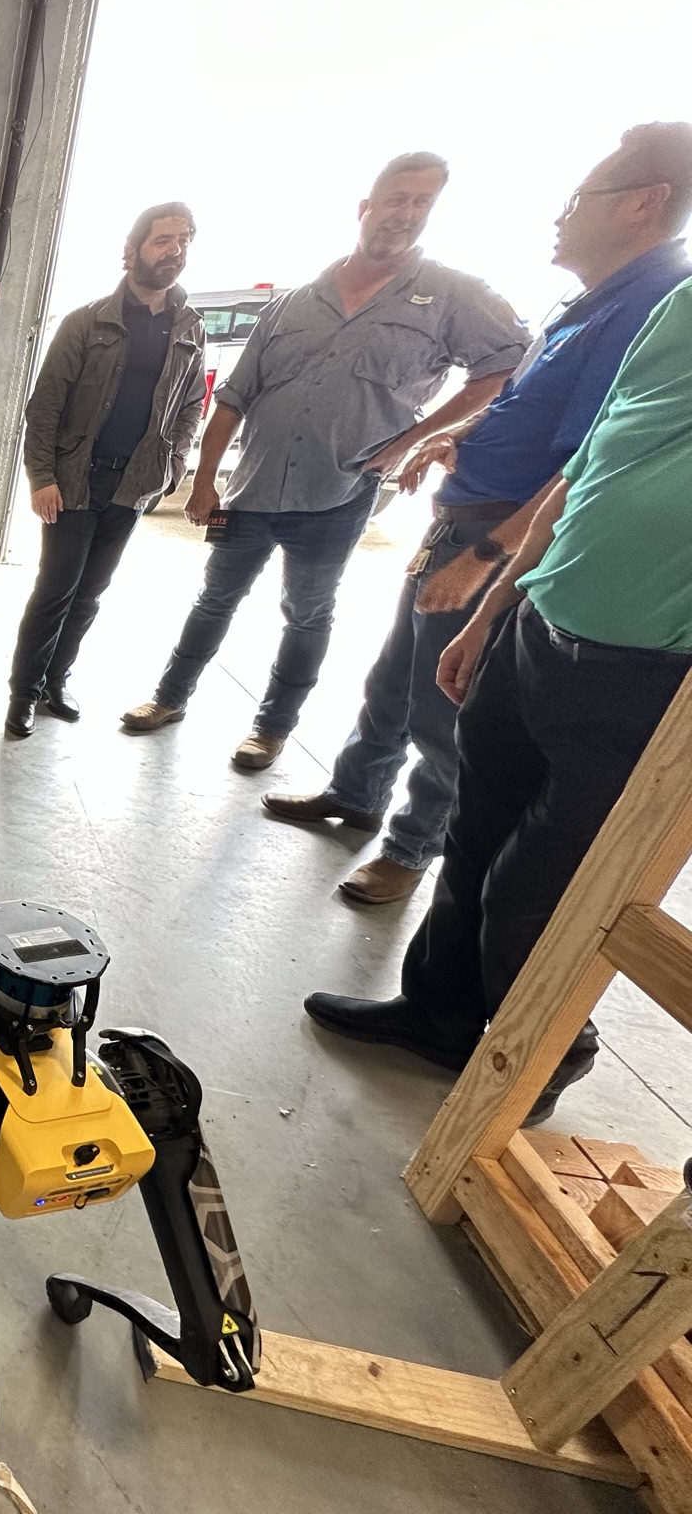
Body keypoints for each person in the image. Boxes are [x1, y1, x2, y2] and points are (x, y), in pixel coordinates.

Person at [305, 258, 692, 1127]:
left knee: (541, 885)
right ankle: (437, 1016)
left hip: (648, 676)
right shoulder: (678, 310)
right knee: (474, 839)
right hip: (535, 624)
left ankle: (543, 1053)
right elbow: (583, 469)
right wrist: (495, 606)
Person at [266, 125, 692, 906]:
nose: (560, 218)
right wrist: (460, 433)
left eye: (579, 199)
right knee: (393, 679)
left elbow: (584, 463)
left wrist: (488, 557)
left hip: (499, 536)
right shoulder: (585, 303)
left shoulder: (647, 307)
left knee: (445, 706)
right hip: (463, 519)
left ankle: (409, 846)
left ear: (643, 205)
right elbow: (527, 405)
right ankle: (357, 794)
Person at [123, 153, 528, 770]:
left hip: (337, 494)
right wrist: (204, 480)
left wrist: (418, 437)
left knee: (307, 614)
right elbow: (234, 398)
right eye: (396, 198)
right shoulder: (292, 304)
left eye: (421, 202)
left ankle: (272, 728)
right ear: (366, 208)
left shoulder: (450, 296)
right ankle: (168, 697)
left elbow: (507, 367)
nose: (405, 212)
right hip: (252, 489)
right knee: (213, 600)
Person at [7, 202, 205, 737]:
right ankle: (22, 694)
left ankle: (55, 681)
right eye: (163, 240)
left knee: (91, 592)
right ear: (134, 250)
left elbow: (192, 404)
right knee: (56, 590)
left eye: (184, 240)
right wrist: (41, 477)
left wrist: (173, 466)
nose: (175, 249)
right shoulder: (87, 321)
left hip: (133, 483)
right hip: (75, 479)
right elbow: (45, 404)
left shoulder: (190, 328)